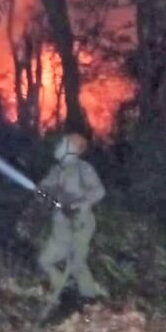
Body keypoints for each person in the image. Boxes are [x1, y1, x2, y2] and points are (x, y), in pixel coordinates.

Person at [36, 133, 107, 312]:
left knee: (77, 264)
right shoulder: (56, 170)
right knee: (45, 260)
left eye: (64, 143)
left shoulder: (84, 169)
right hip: (60, 225)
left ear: (73, 149)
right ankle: (65, 289)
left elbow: (99, 192)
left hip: (81, 223)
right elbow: (44, 188)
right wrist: (42, 192)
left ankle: (90, 299)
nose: (59, 146)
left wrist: (79, 206)